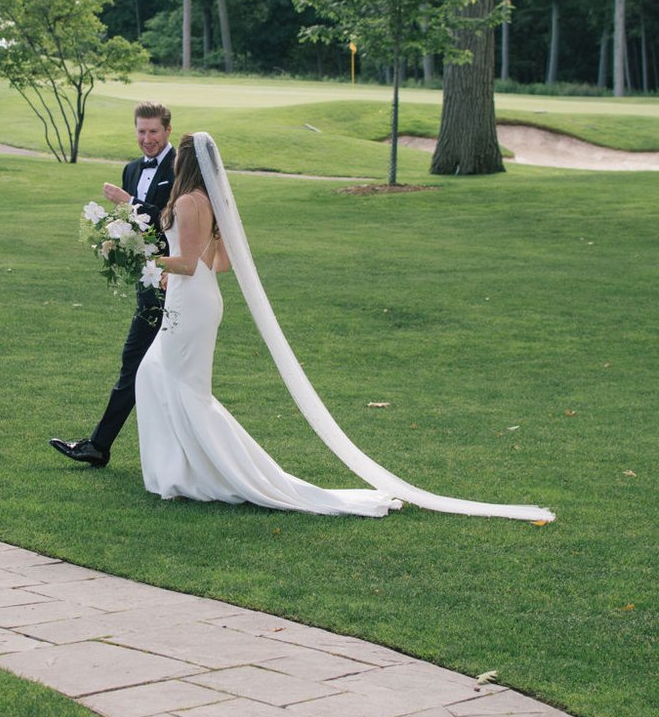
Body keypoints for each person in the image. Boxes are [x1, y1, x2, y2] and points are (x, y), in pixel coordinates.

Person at [135, 132, 555, 523]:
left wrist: (143, 257)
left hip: (191, 305)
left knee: (172, 381)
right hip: (197, 301)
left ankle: (194, 474)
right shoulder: (208, 202)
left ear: (184, 162)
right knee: (168, 380)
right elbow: (217, 264)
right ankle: (185, 471)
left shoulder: (189, 202)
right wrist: (175, 264)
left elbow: (189, 264)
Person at [49, 101, 176, 468]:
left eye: (153, 131)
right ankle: (101, 446)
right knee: (140, 364)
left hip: (175, 278)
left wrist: (130, 202)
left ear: (167, 130)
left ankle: (100, 445)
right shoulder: (131, 169)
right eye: (141, 131)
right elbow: (132, 227)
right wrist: (114, 239)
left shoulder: (178, 168)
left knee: (144, 365)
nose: (146, 139)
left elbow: (173, 222)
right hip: (147, 280)